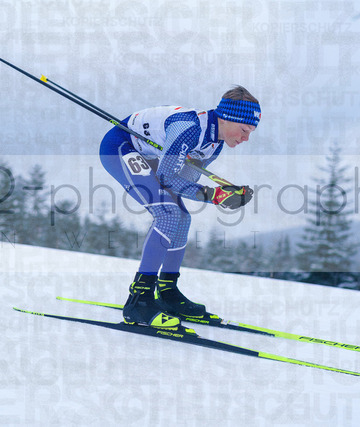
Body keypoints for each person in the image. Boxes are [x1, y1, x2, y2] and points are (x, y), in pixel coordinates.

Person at [99, 86, 260, 328]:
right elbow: (167, 178)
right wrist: (214, 195)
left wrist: (222, 195)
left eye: (251, 132)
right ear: (227, 118)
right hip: (121, 147)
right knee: (167, 213)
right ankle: (139, 301)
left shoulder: (215, 143)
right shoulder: (189, 129)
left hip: (149, 155)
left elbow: (182, 183)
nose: (246, 138)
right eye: (244, 130)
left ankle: (168, 292)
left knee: (182, 217)